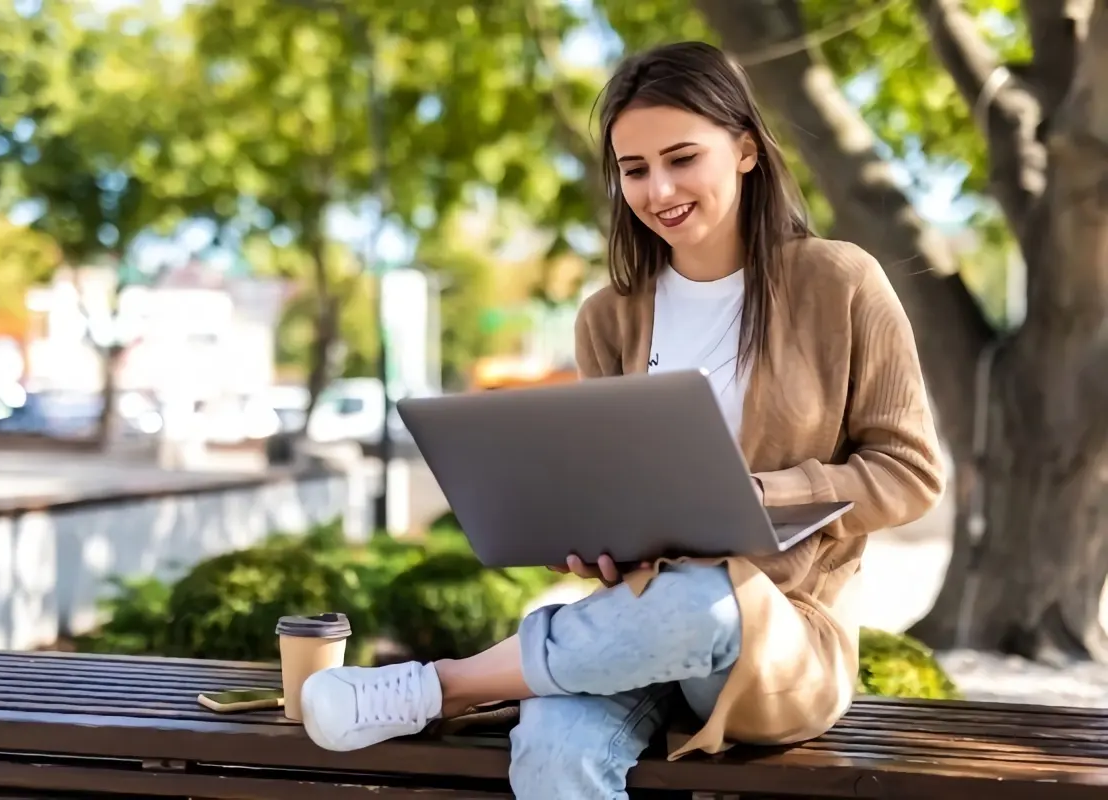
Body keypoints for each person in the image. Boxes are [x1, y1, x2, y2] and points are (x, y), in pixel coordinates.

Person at [300, 40, 945, 798]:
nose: (658, 188)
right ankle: (463, 685)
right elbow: (604, 488)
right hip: (628, 625)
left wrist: (755, 495)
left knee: (699, 601)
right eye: (634, 170)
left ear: (743, 150)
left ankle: (441, 686)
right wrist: (586, 540)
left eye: (682, 158)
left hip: (778, 636)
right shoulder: (608, 318)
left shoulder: (840, 283)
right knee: (550, 746)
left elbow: (910, 474)